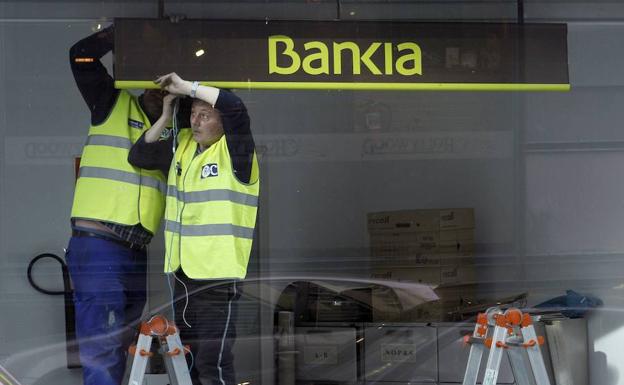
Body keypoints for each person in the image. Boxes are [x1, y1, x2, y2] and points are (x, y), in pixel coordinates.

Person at [67, 27, 188, 385]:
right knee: (101, 342)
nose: (157, 90)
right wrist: (120, 35)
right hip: (99, 242)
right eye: (152, 82)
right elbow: (80, 57)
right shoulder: (112, 101)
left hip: (136, 249)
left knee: (126, 342)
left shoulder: (174, 129)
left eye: (164, 84)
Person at [128, 72, 259, 385]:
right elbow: (140, 155)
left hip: (217, 277)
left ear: (223, 121)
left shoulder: (236, 151)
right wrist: (167, 113)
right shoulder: (183, 146)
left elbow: (236, 107)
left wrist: (188, 88)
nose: (197, 122)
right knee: (189, 363)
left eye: (206, 115)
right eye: (193, 115)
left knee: (213, 364)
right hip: (183, 275)